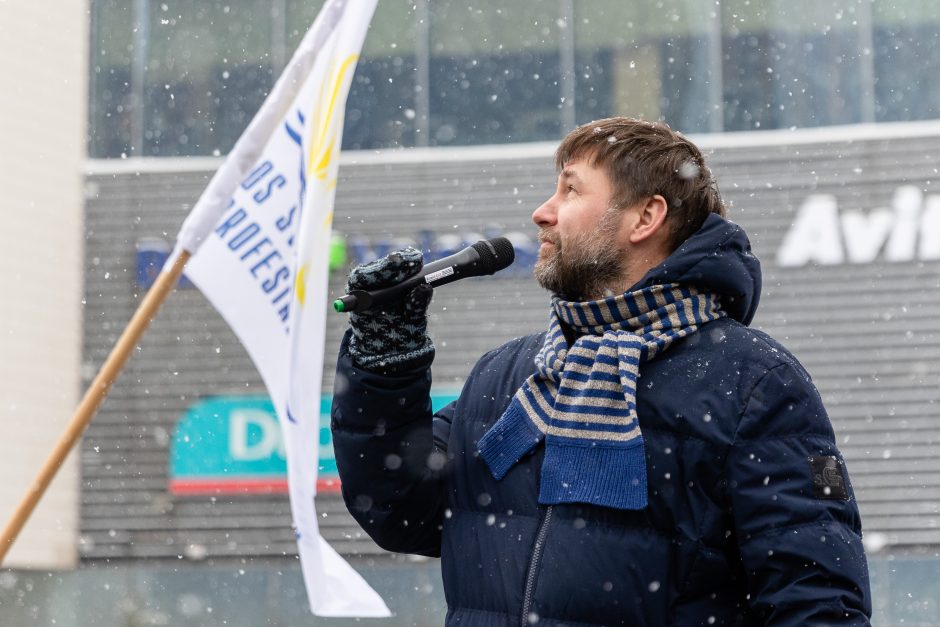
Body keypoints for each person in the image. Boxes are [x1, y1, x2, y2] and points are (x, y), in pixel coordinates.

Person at [331, 117, 872, 626]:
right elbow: (399, 510)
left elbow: (815, 598)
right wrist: (385, 364)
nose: (543, 212)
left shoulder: (751, 380)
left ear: (645, 217)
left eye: (571, 190)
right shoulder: (509, 376)